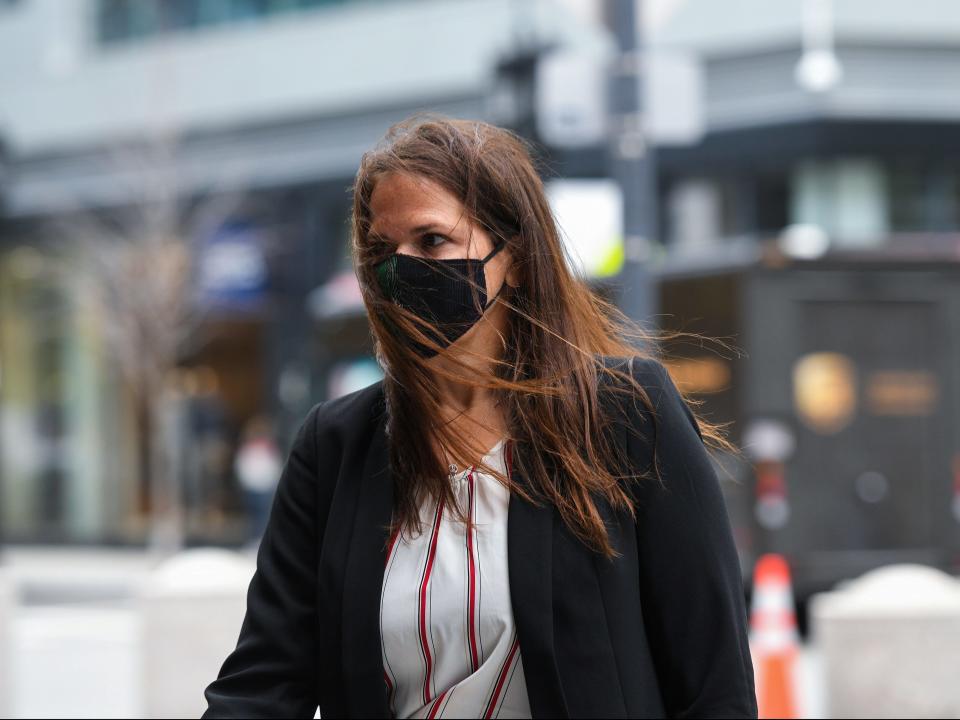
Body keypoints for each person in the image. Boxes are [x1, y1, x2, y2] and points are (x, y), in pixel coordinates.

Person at [202, 114, 758, 719]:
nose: (401, 269)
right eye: (380, 251)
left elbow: (714, 684)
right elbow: (264, 681)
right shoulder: (336, 445)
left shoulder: (625, 413)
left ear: (514, 256)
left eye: (432, 241)